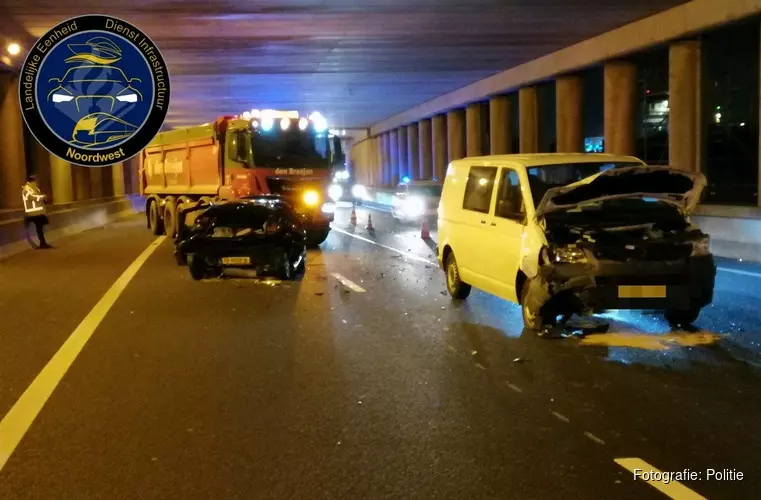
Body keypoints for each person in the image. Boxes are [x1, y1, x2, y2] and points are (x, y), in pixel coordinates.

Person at [21, 174, 52, 249]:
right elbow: (31, 197)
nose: (37, 182)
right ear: (32, 181)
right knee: (39, 228)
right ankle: (42, 243)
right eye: (36, 181)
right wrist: (42, 197)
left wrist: (43, 198)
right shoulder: (27, 189)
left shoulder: (34, 188)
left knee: (40, 227)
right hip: (32, 213)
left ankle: (43, 243)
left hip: (37, 212)